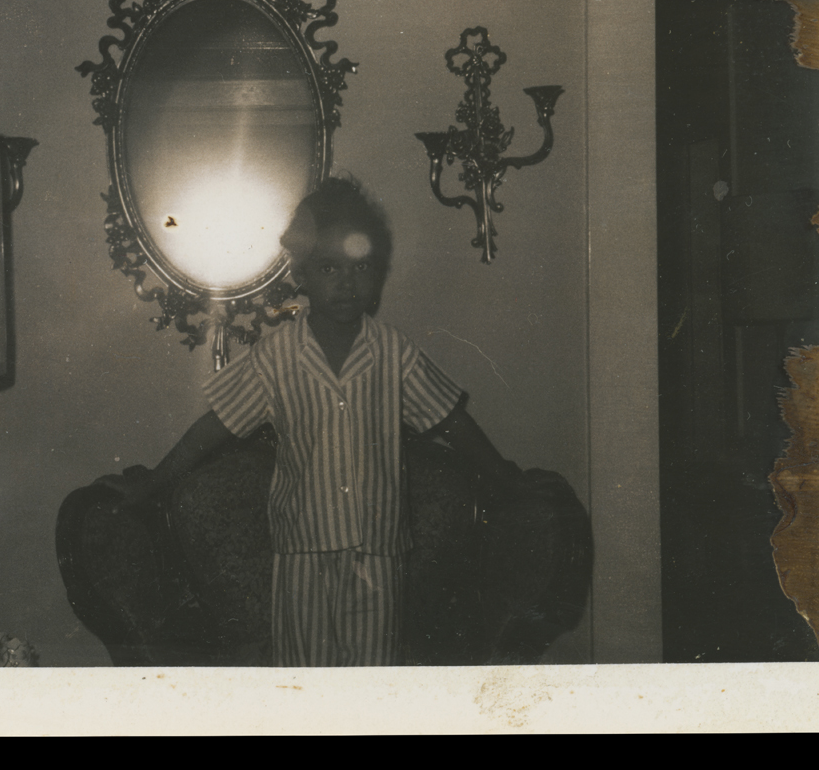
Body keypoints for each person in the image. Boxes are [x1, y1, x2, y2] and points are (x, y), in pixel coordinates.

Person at [114, 176, 521, 666]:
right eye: (329, 267)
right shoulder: (276, 356)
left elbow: (452, 422)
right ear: (302, 274)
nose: (346, 282)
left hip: (379, 556)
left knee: (373, 686)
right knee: (305, 686)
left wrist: (503, 479)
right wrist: (155, 482)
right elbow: (210, 429)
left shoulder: (394, 352)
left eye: (361, 266)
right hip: (302, 556)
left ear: (379, 273)